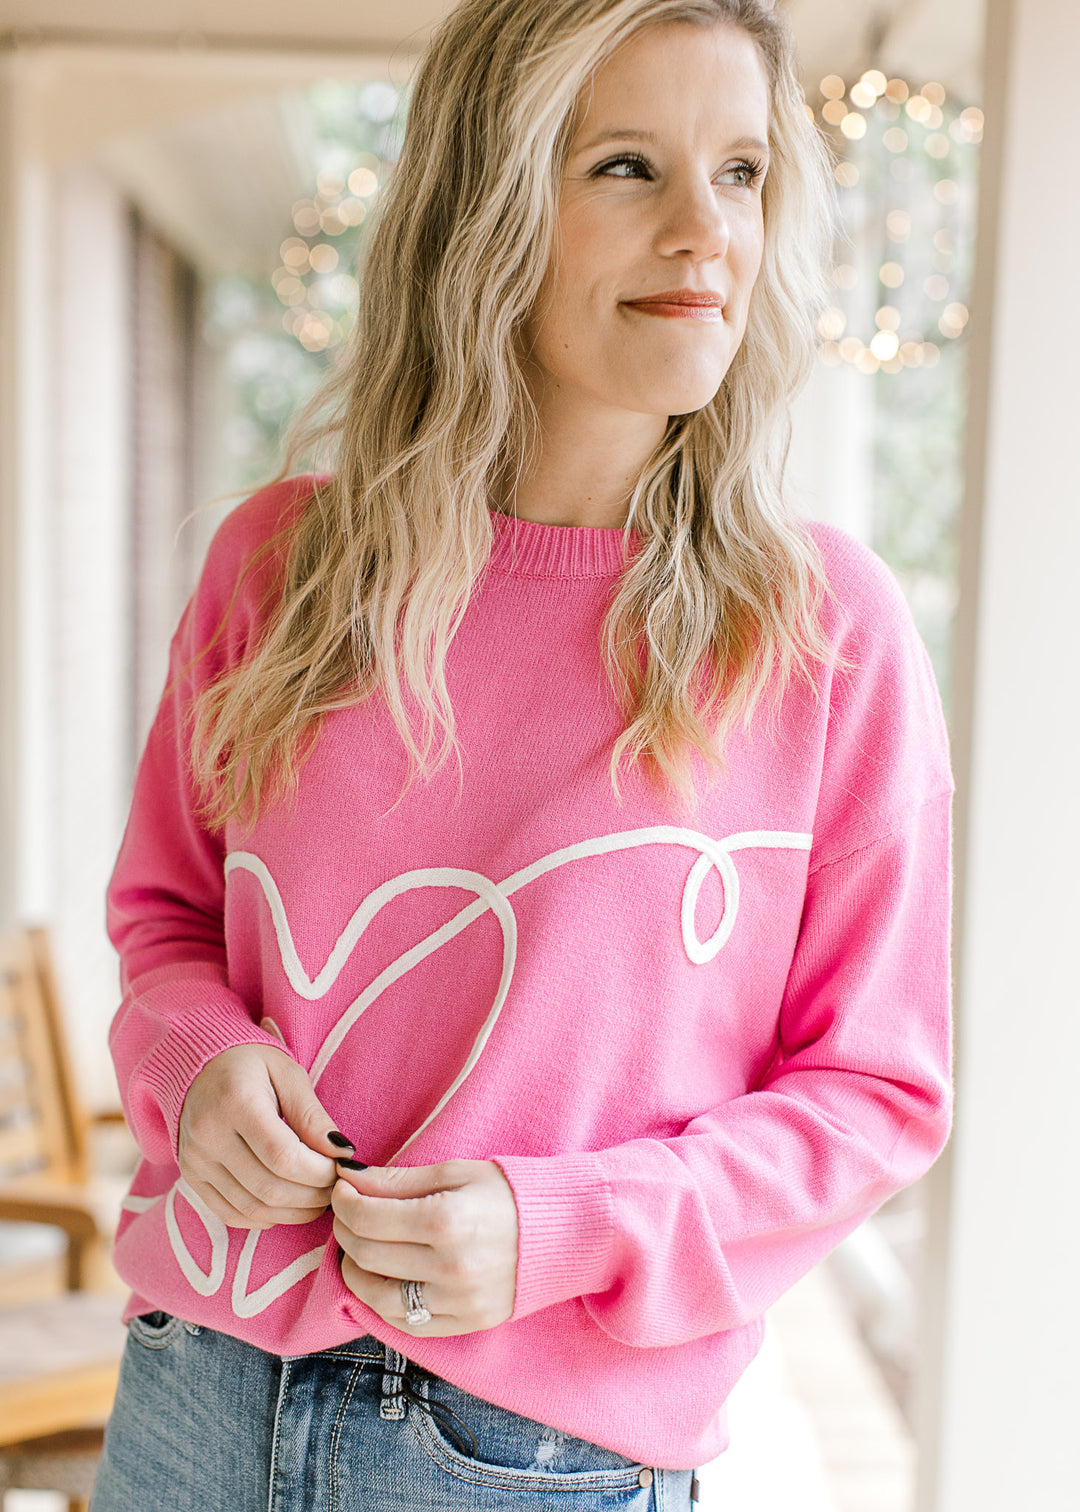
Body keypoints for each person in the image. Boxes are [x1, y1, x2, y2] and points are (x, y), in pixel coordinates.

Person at [91, 1, 953, 1508]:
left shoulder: (825, 637)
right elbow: (164, 922)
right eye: (630, 166)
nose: (707, 233)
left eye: (743, 173)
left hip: (529, 1465)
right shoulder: (278, 568)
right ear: (488, 207)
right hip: (196, 1389)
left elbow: (874, 1092)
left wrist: (569, 1224)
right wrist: (205, 1064)